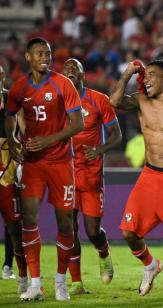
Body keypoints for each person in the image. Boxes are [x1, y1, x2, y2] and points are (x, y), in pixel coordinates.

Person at [110, 59, 163, 304]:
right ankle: (150, 264)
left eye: (152, 75)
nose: (146, 79)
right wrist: (128, 71)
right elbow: (115, 100)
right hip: (149, 176)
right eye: (145, 75)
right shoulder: (140, 101)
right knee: (128, 232)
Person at [5, 37, 84, 301]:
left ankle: (60, 281)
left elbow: (78, 124)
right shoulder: (18, 88)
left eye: (48, 53)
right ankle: (36, 283)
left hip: (62, 163)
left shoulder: (63, 84)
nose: (45, 57)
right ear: (28, 57)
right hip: (33, 164)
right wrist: (14, 139)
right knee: (28, 219)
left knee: (65, 222)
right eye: (39, 53)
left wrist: (47, 140)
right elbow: (9, 116)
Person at [61, 58, 121, 294]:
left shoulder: (99, 100)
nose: (69, 72)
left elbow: (116, 136)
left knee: (92, 230)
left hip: (91, 175)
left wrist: (98, 151)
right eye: (65, 70)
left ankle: (103, 252)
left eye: (74, 69)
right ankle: (76, 282)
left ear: (83, 74)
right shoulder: (57, 101)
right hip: (66, 174)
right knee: (69, 228)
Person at [0, 63, 28, 294]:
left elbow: (23, 129)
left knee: (13, 225)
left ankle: (20, 276)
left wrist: (21, 157)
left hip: (7, 165)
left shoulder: (11, 99)